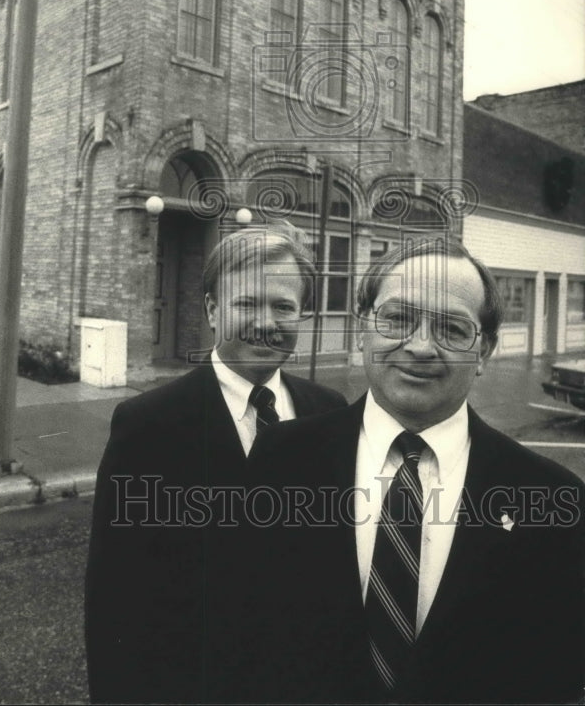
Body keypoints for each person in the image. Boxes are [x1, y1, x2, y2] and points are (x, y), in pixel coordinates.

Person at [247, 240, 585, 704]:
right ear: (362, 329)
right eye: (398, 318)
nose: (422, 346)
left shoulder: (552, 497)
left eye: (451, 327)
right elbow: (242, 640)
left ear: (483, 351)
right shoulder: (277, 460)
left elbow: (557, 676)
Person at [84, 223, 346, 704]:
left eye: (283, 306)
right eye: (247, 303)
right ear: (212, 310)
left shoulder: (329, 410)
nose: (266, 322)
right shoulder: (147, 427)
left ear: (301, 314)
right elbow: (114, 602)